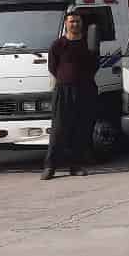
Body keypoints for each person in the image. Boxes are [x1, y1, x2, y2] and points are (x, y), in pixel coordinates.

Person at [42, 11, 99, 180]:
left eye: (78, 21)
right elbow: (53, 67)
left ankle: (76, 166)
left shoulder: (88, 43)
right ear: (66, 24)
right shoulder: (58, 45)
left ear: (82, 24)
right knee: (59, 129)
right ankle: (50, 167)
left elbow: (95, 64)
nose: (75, 24)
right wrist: (66, 78)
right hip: (64, 90)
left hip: (85, 90)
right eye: (72, 21)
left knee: (81, 129)